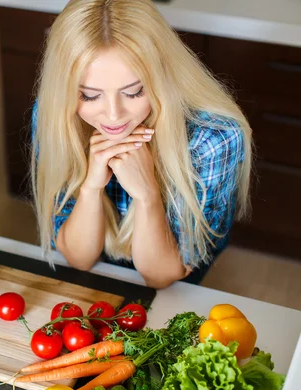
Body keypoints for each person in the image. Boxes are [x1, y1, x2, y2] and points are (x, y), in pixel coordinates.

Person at [30, 0, 253, 289]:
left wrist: (148, 195)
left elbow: (160, 276)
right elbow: (79, 259)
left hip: (172, 273)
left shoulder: (213, 138)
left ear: (162, 77)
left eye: (134, 92)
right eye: (88, 96)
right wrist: (90, 187)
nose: (113, 116)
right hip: (95, 274)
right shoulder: (55, 117)